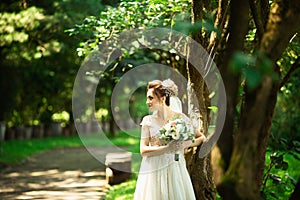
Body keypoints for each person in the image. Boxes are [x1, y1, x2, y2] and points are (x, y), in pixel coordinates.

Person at [134, 79, 206, 200]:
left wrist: (185, 144)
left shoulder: (180, 118)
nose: (147, 102)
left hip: (175, 168)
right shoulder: (148, 121)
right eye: (147, 98)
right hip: (154, 170)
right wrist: (167, 148)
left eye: (150, 98)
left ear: (162, 98)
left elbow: (201, 137)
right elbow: (143, 150)